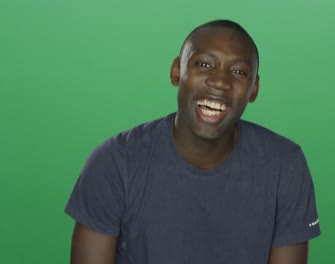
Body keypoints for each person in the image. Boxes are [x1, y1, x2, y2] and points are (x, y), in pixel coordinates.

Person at [65, 19, 320, 264]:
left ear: (253, 89)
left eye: (239, 71)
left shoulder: (286, 166)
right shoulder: (114, 163)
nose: (220, 81)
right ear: (177, 72)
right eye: (204, 65)